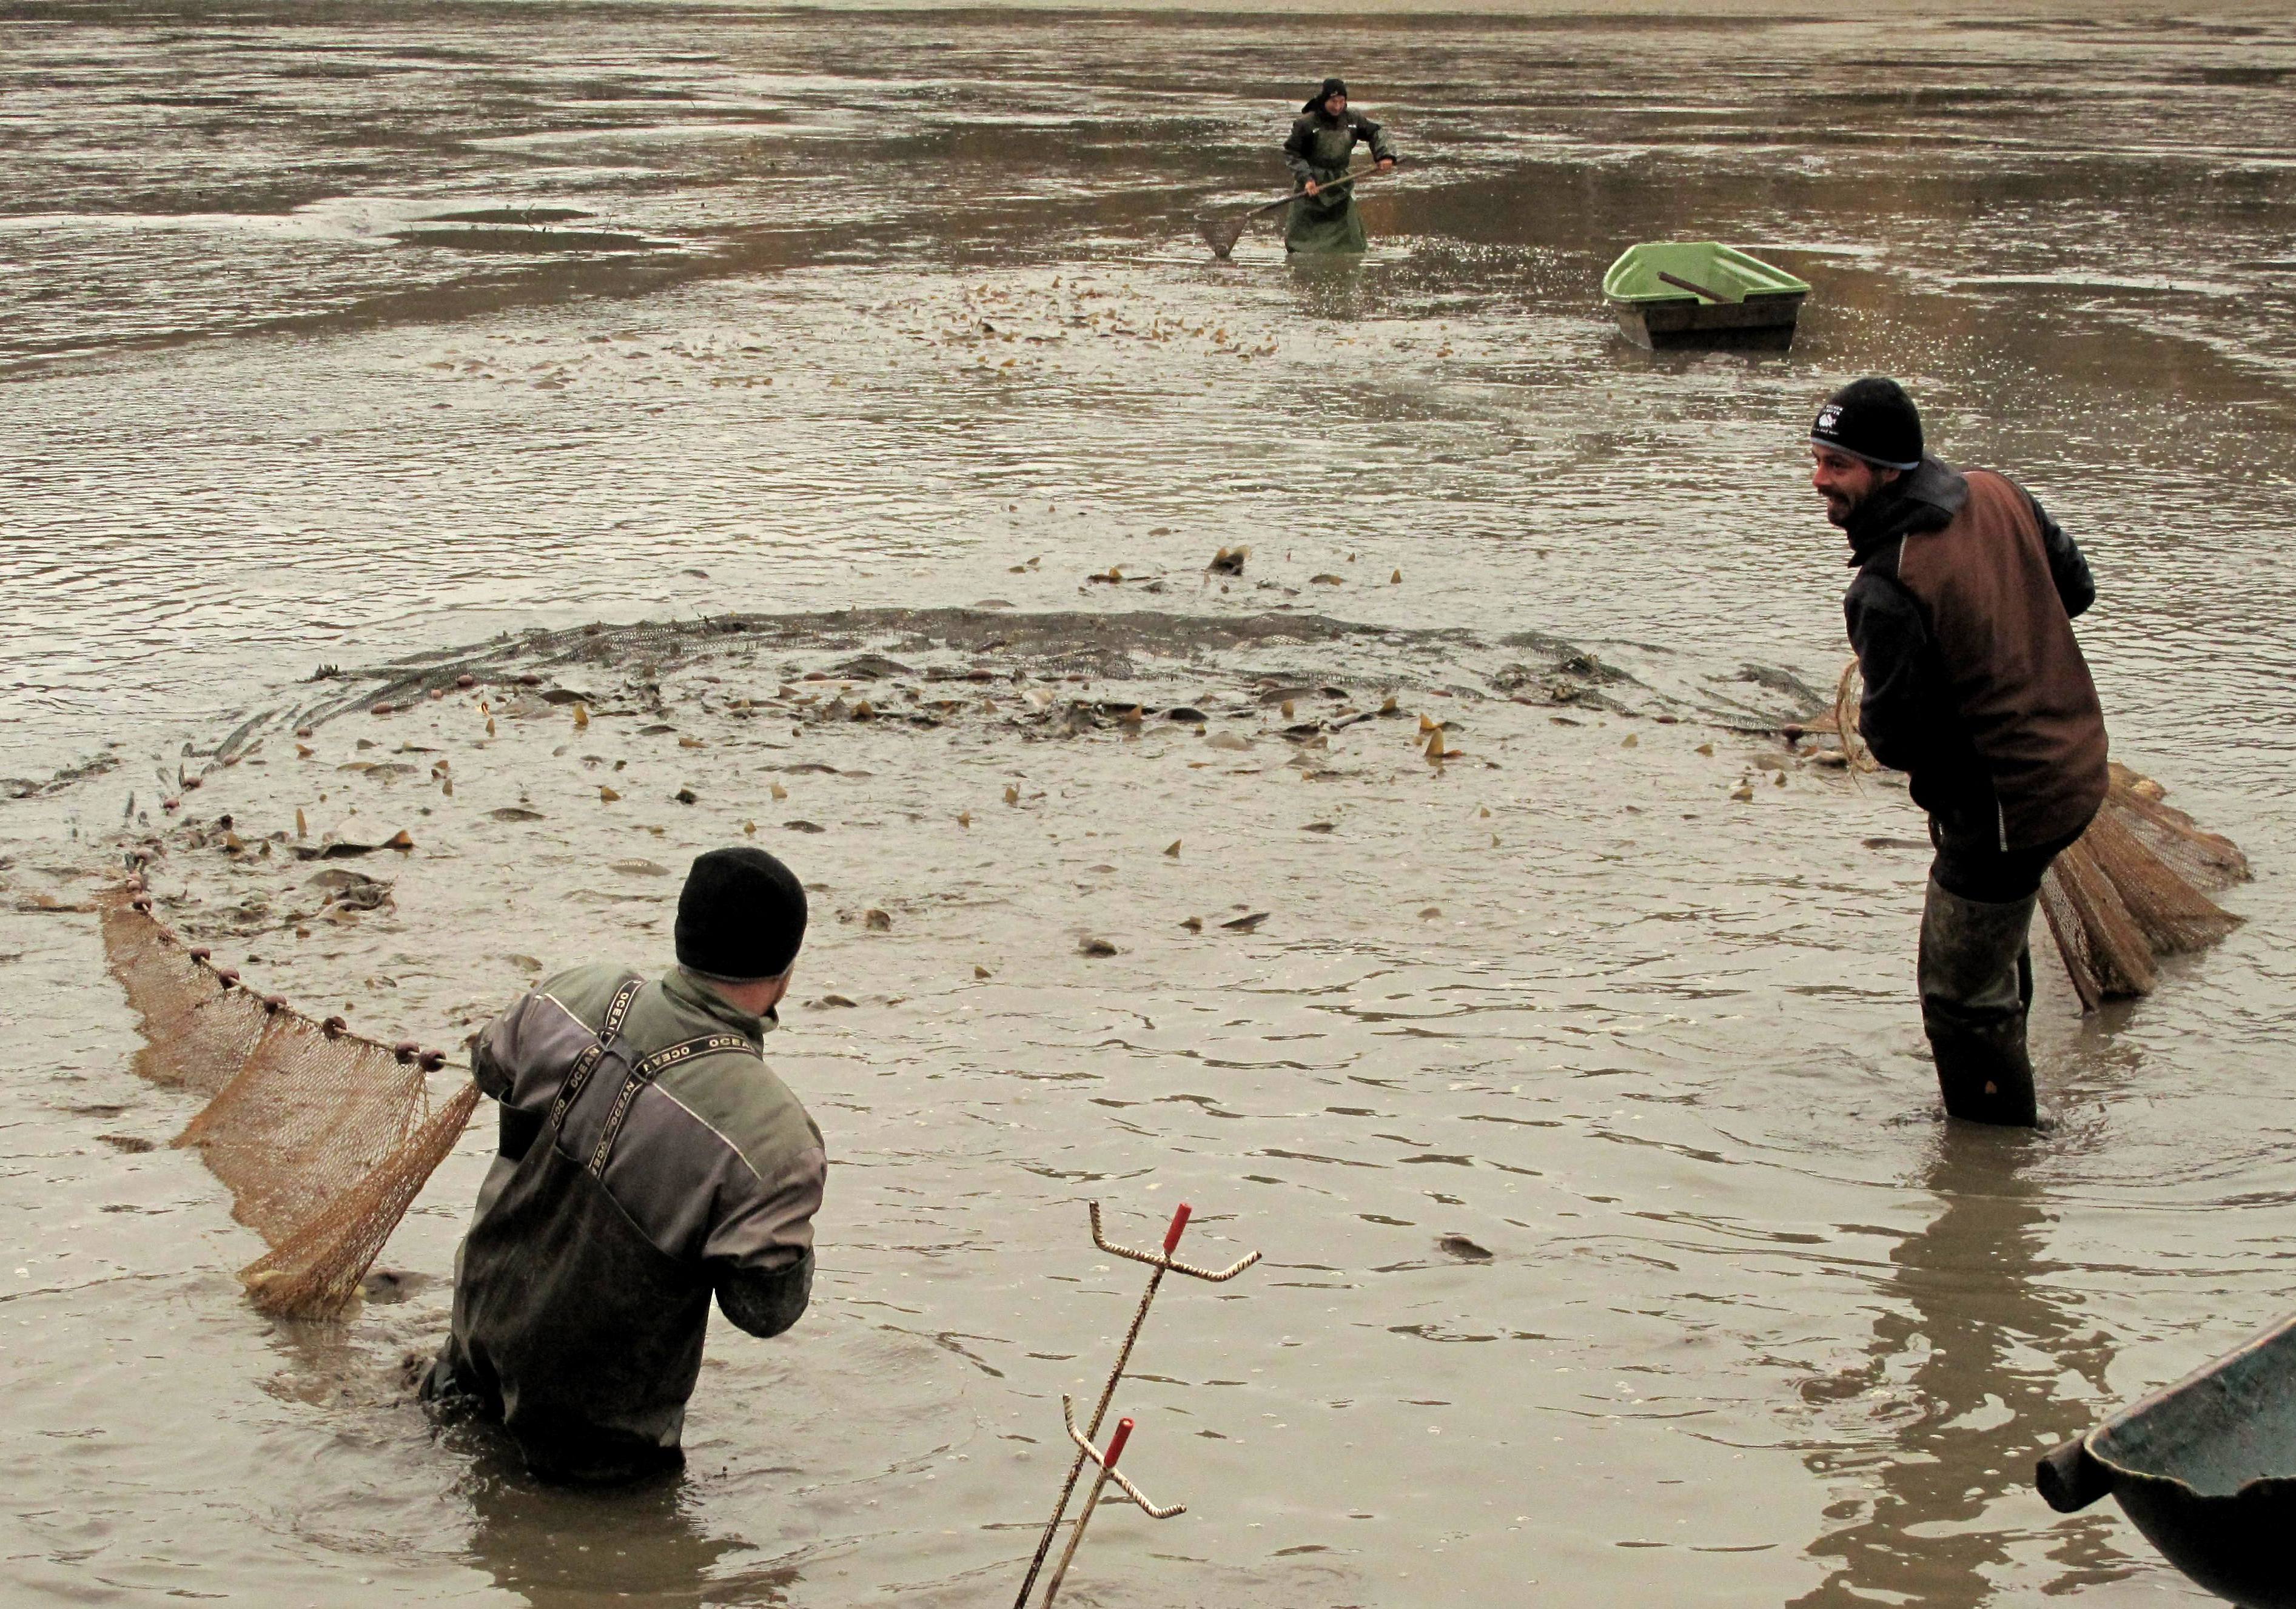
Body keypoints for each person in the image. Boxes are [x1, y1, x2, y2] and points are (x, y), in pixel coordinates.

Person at [423, 846, 827, 1481]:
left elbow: (490, 1068)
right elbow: (764, 1311)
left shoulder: (571, 992)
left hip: (471, 1351)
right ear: (786, 972)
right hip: (597, 1449)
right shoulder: (776, 1138)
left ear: (682, 931)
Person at [1811, 378, 2108, 1127]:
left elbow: (1895, 736)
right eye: (1817, 459)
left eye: (1838, 465)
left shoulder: (1886, 586)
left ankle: (1996, 1164)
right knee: (1996, 952)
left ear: (1888, 473)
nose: (1819, 479)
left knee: (1959, 997)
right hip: (2076, 764)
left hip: (2005, 807)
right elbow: (2075, 588)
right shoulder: (1998, 491)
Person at [1283, 77, 1396, 255]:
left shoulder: (1352, 119)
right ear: (1324, 100)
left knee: (1353, 244)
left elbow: (1376, 132)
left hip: (1341, 184)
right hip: (1312, 185)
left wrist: (1385, 155)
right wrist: (1307, 179)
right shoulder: (1306, 124)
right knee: (1301, 245)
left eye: (1342, 102)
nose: (1338, 107)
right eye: (1333, 102)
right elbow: (1292, 153)